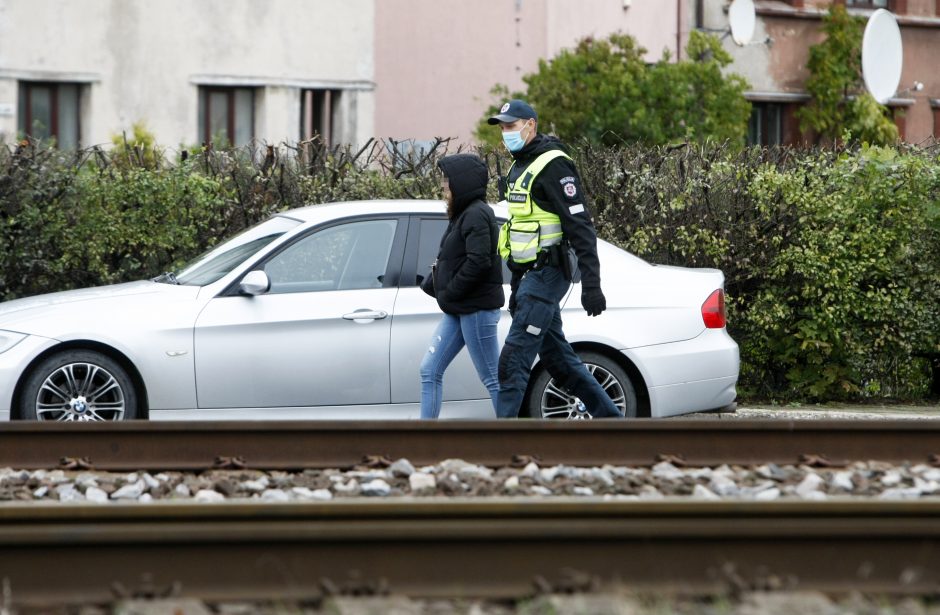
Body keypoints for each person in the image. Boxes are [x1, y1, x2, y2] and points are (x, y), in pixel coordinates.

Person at [488, 99, 622, 419]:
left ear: (530, 125)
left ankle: (497, 443)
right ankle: (613, 423)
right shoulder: (518, 165)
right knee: (559, 362)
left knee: (513, 361)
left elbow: (581, 227)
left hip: (549, 274)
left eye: (511, 125)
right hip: (528, 278)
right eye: (503, 127)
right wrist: (516, 285)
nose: (506, 132)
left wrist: (592, 284)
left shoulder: (554, 164)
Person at [419, 153, 505, 419]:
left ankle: (516, 439)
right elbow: (452, 257)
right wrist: (435, 285)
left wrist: (450, 291)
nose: (443, 186)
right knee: (429, 370)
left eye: (447, 180)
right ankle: (425, 440)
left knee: (493, 379)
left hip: (476, 310)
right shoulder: (463, 214)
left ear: (461, 182)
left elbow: (478, 263)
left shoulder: (478, 214)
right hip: (460, 308)